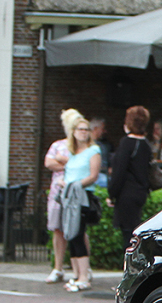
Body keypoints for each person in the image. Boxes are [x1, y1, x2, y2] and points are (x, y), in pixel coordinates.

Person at [59, 115, 101, 292]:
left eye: (86, 129)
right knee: (70, 234)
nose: (83, 133)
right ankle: (76, 275)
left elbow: (93, 176)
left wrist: (75, 185)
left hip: (82, 197)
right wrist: (65, 183)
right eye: (80, 129)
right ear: (73, 133)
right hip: (69, 197)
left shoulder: (94, 151)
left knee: (78, 233)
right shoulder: (72, 153)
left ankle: (84, 276)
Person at [44, 108, 83, 283]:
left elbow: (82, 166)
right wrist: (67, 164)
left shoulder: (82, 148)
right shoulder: (57, 145)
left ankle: (82, 269)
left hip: (74, 192)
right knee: (57, 229)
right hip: (58, 192)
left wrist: (64, 161)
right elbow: (48, 162)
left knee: (78, 230)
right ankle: (58, 267)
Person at [108, 105, 152, 245]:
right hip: (140, 193)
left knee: (128, 235)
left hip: (126, 194)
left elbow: (119, 172)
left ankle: (131, 266)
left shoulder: (126, 143)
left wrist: (112, 194)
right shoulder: (146, 144)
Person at [91, 117, 112, 189]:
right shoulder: (87, 145)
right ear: (95, 129)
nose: (105, 131)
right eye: (102, 129)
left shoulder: (105, 144)